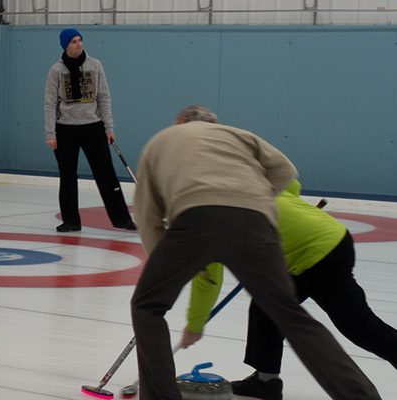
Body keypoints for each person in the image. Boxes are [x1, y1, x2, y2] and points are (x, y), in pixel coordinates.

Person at [129, 104, 378, 400]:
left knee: (147, 305)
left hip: (195, 218)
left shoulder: (160, 142)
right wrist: (256, 200)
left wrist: (168, 263)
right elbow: (286, 170)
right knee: (289, 314)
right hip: (257, 222)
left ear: (181, 121)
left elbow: (147, 218)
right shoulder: (239, 135)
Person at [179, 181, 397, 400]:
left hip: (322, 252)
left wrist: (195, 325)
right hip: (319, 241)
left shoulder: (208, 222)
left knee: (358, 325)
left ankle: (266, 382)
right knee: (266, 307)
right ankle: (265, 382)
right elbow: (292, 184)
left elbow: (208, 281)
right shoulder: (240, 185)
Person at [43, 28, 134, 232]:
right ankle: (71, 221)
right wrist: (50, 133)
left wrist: (109, 127)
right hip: (65, 129)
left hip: (93, 127)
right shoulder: (56, 70)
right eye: (74, 41)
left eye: (80, 40)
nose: (79, 44)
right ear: (65, 45)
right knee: (68, 176)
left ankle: (122, 219)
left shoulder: (95, 65)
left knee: (106, 173)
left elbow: (104, 97)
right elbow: (50, 103)